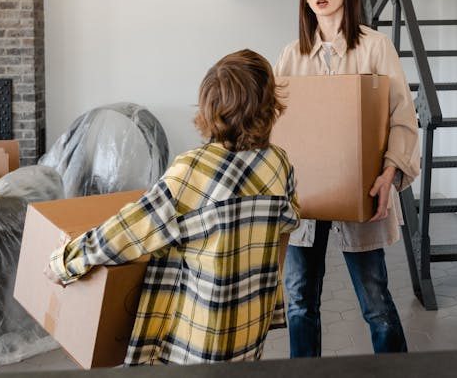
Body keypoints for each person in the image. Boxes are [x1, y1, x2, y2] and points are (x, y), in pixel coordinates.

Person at [46, 49, 300, 365]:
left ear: (210, 106)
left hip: (197, 335)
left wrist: (66, 261)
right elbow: (286, 230)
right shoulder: (278, 164)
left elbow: (127, 231)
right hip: (250, 326)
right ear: (269, 105)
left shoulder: (193, 170)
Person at [274, 0, 420, 356]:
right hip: (305, 194)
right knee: (300, 301)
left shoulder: (376, 47)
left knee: (376, 302)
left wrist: (390, 173)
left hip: (362, 188)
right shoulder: (291, 56)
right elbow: (278, 128)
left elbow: (402, 116)